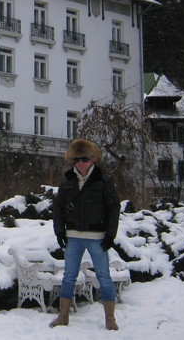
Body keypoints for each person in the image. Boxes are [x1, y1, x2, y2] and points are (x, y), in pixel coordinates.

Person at [50, 138, 120, 330]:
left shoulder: (103, 181)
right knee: (69, 276)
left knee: (104, 276)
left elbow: (114, 207)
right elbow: (58, 207)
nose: (80, 163)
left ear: (92, 160)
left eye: (84, 159)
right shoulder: (67, 181)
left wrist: (110, 235)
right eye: (77, 159)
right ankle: (63, 315)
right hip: (73, 236)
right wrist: (59, 231)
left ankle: (110, 318)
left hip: (97, 237)